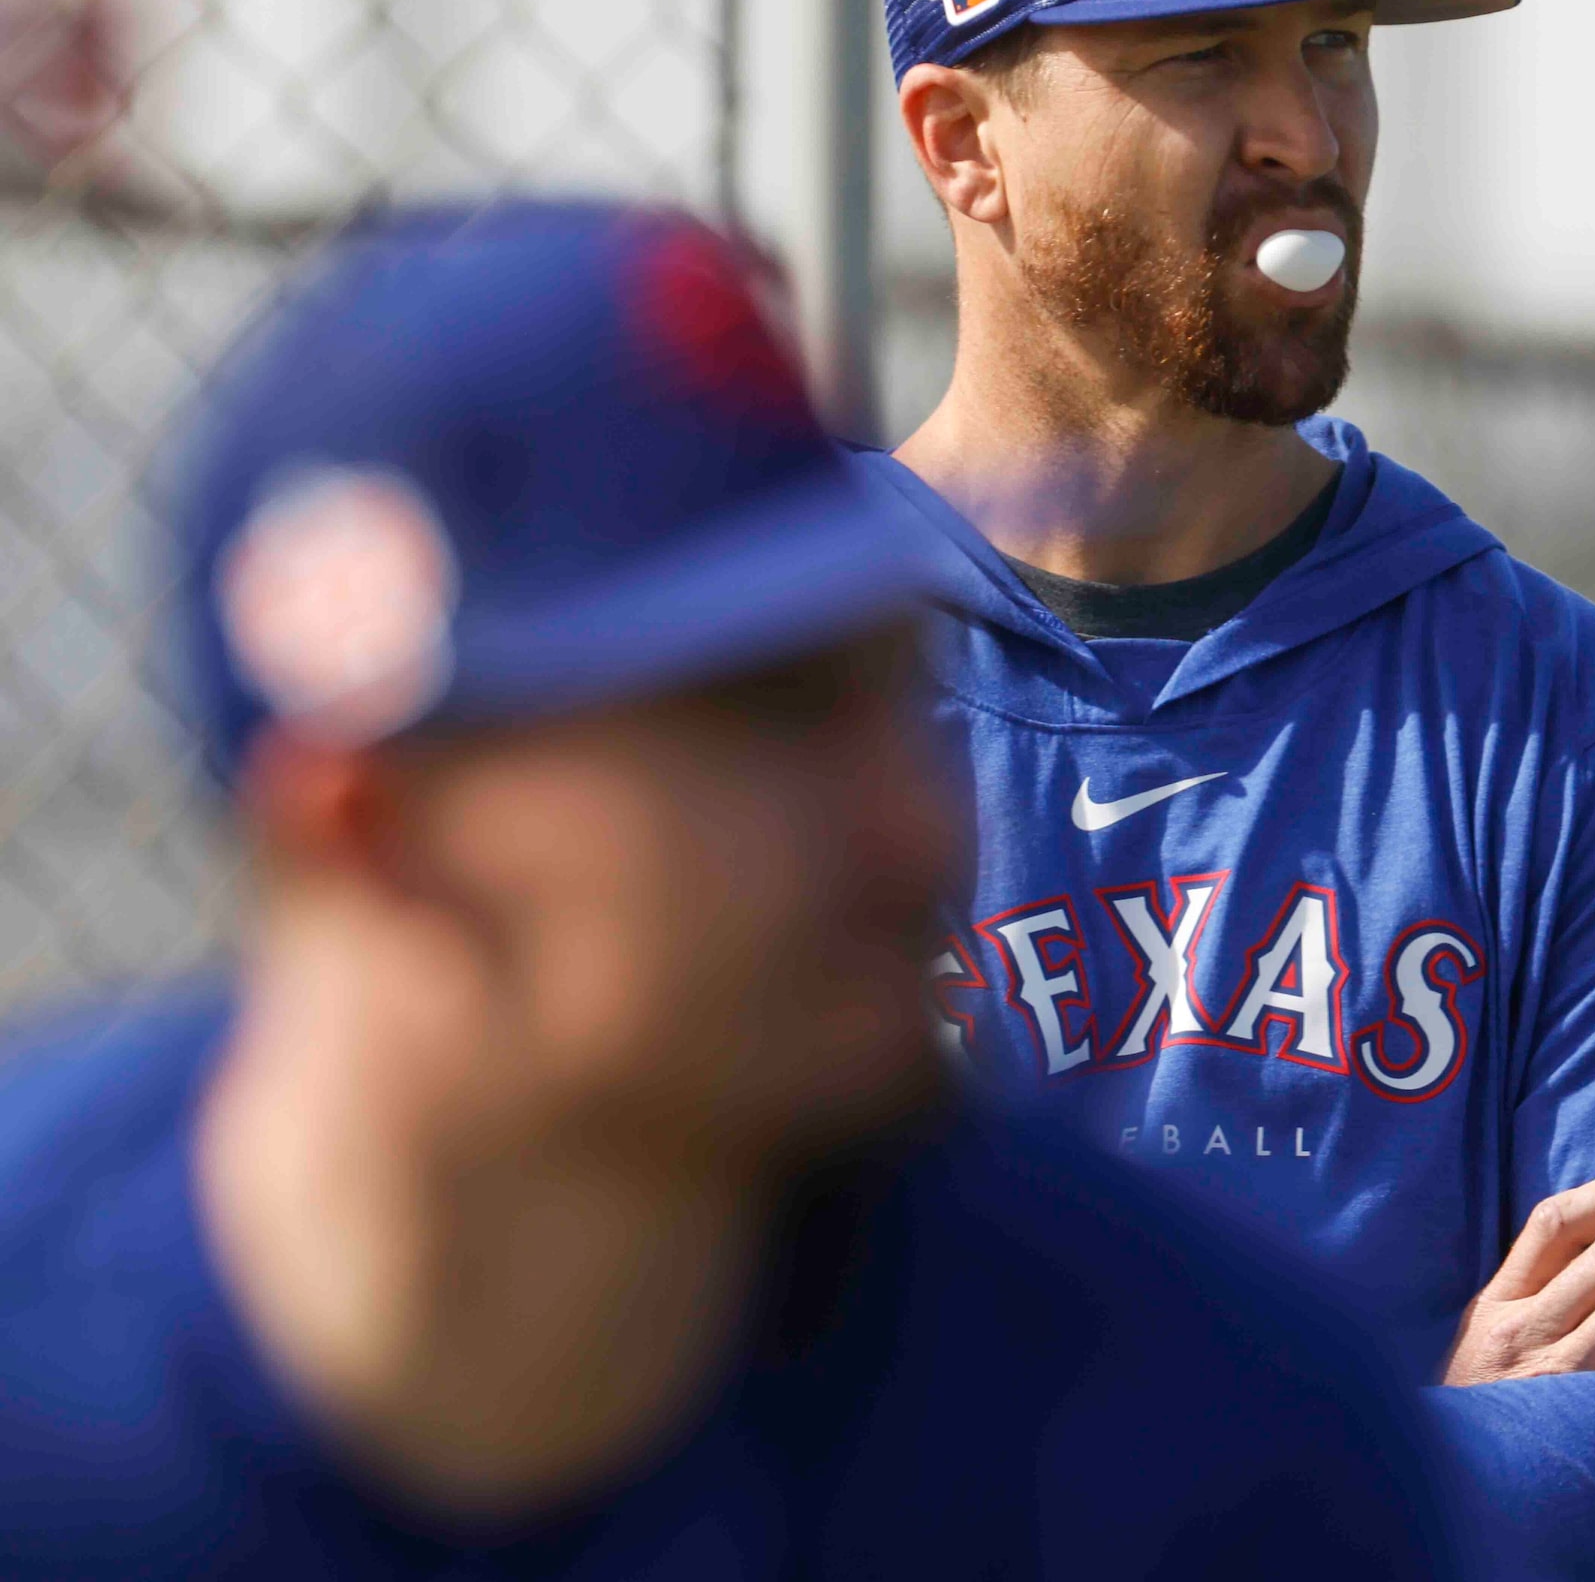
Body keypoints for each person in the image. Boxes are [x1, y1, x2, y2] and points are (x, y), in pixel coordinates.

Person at [0, 200, 1467, 1580]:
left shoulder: (1206, 1457)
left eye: (891, 688)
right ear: (375, 832)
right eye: (767, 714)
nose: (916, 828)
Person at [867, 0, 1595, 1580]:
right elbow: (656, 1458)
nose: (1308, 137)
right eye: (1198, 57)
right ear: (961, 144)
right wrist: (1390, 1459)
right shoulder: (754, 696)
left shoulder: (1550, 712)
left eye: (1334, 46)